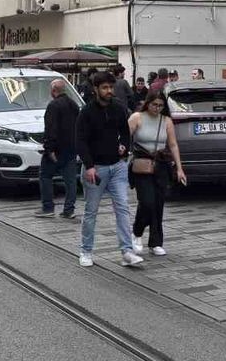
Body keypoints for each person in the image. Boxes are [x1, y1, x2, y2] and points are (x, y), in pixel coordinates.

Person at [76, 72, 142, 268]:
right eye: (104, 88)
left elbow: (124, 131)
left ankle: (127, 251)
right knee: (91, 211)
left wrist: (124, 146)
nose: (109, 91)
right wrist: (88, 166)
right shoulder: (86, 112)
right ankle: (85, 251)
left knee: (122, 207)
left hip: (117, 167)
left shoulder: (119, 108)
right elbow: (80, 141)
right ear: (95, 89)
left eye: (111, 87)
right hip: (95, 168)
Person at [128, 90, 186, 258]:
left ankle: (156, 242)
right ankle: (137, 232)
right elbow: (124, 138)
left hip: (161, 165)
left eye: (161, 105)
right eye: (154, 104)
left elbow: (173, 145)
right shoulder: (137, 117)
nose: (157, 108)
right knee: (147, 202)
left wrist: (180, 169)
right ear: (148, 103)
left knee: (158, 204)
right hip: (142, 164)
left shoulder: (166, 121)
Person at [35, 78, 80, 220]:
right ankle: (69, 210)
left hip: (56, 149)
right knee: (70, 180)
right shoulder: (73, 104)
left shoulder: (53, 106)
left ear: (54, 90)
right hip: (71, 148)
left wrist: (49, 149)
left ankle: (48, 207)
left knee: (45, 176)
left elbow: (50, 129)